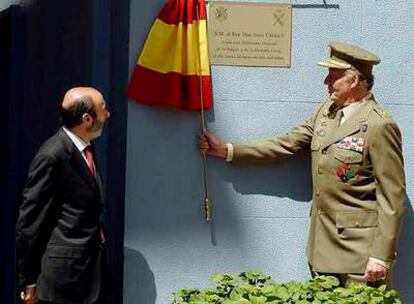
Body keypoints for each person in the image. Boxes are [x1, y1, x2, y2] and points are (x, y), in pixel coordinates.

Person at [199, 42, 406, 287]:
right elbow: (286, 144)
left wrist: (381, 256)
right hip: (322, 250)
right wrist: (228, 151)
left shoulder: (378, 125)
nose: (326, 81)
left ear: (353, 81)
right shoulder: (326, 113)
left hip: (360, 257)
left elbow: (392, 196)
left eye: (333, 75)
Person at [16, 87, 111, 304]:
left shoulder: (85, 147)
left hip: (89, 276)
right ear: (87, 119)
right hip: (62, 284)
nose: (107, 115)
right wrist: (29, 280)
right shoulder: (53, 155)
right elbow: (30, 222)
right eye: (103, 109)